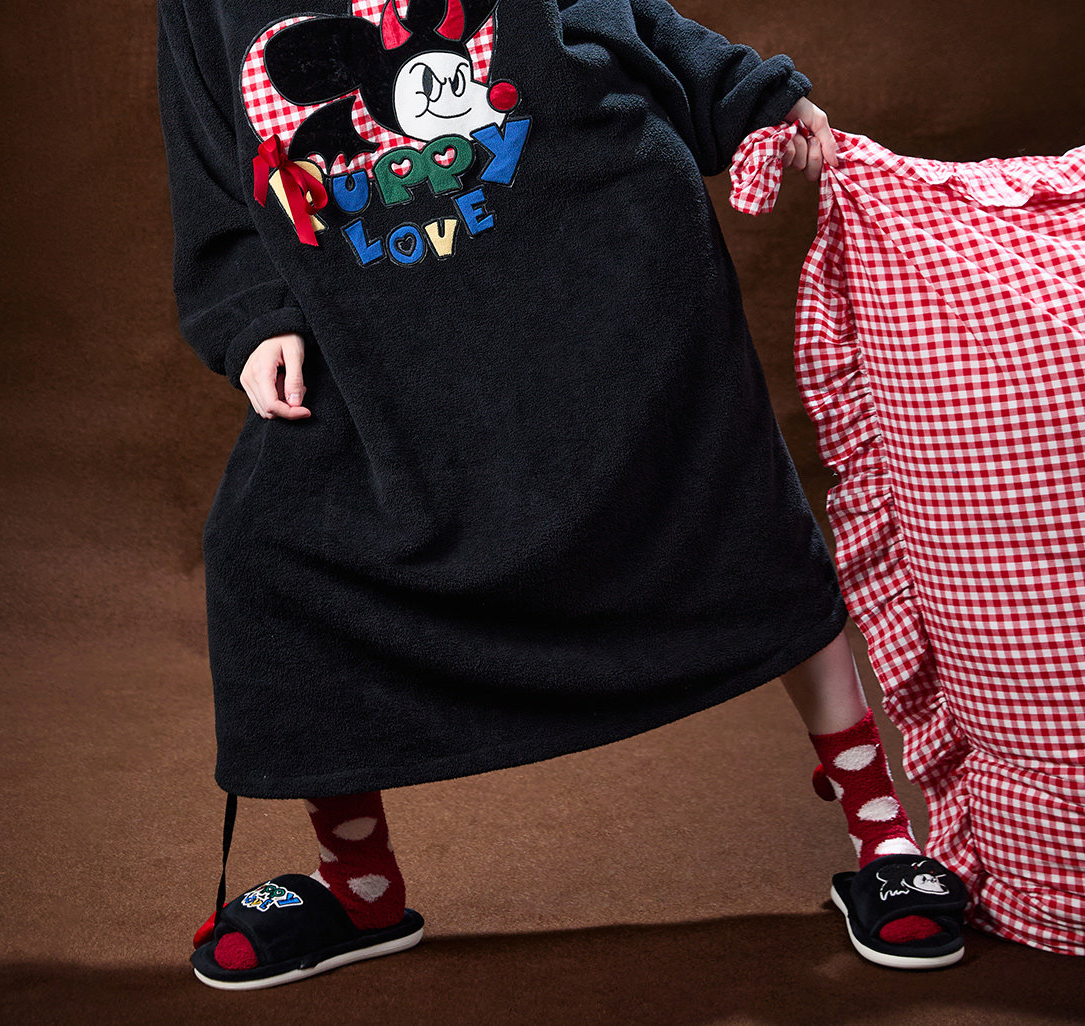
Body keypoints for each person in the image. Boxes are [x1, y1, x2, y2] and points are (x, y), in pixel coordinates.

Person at [157, 0, 969, 990]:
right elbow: (208, 133)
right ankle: (360, 889)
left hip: (602, 273)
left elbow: (606, 11)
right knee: (271, 553)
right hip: (379, 347)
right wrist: (251, 314)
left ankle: (884, 836)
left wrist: (741, 92)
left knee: (734, 515)